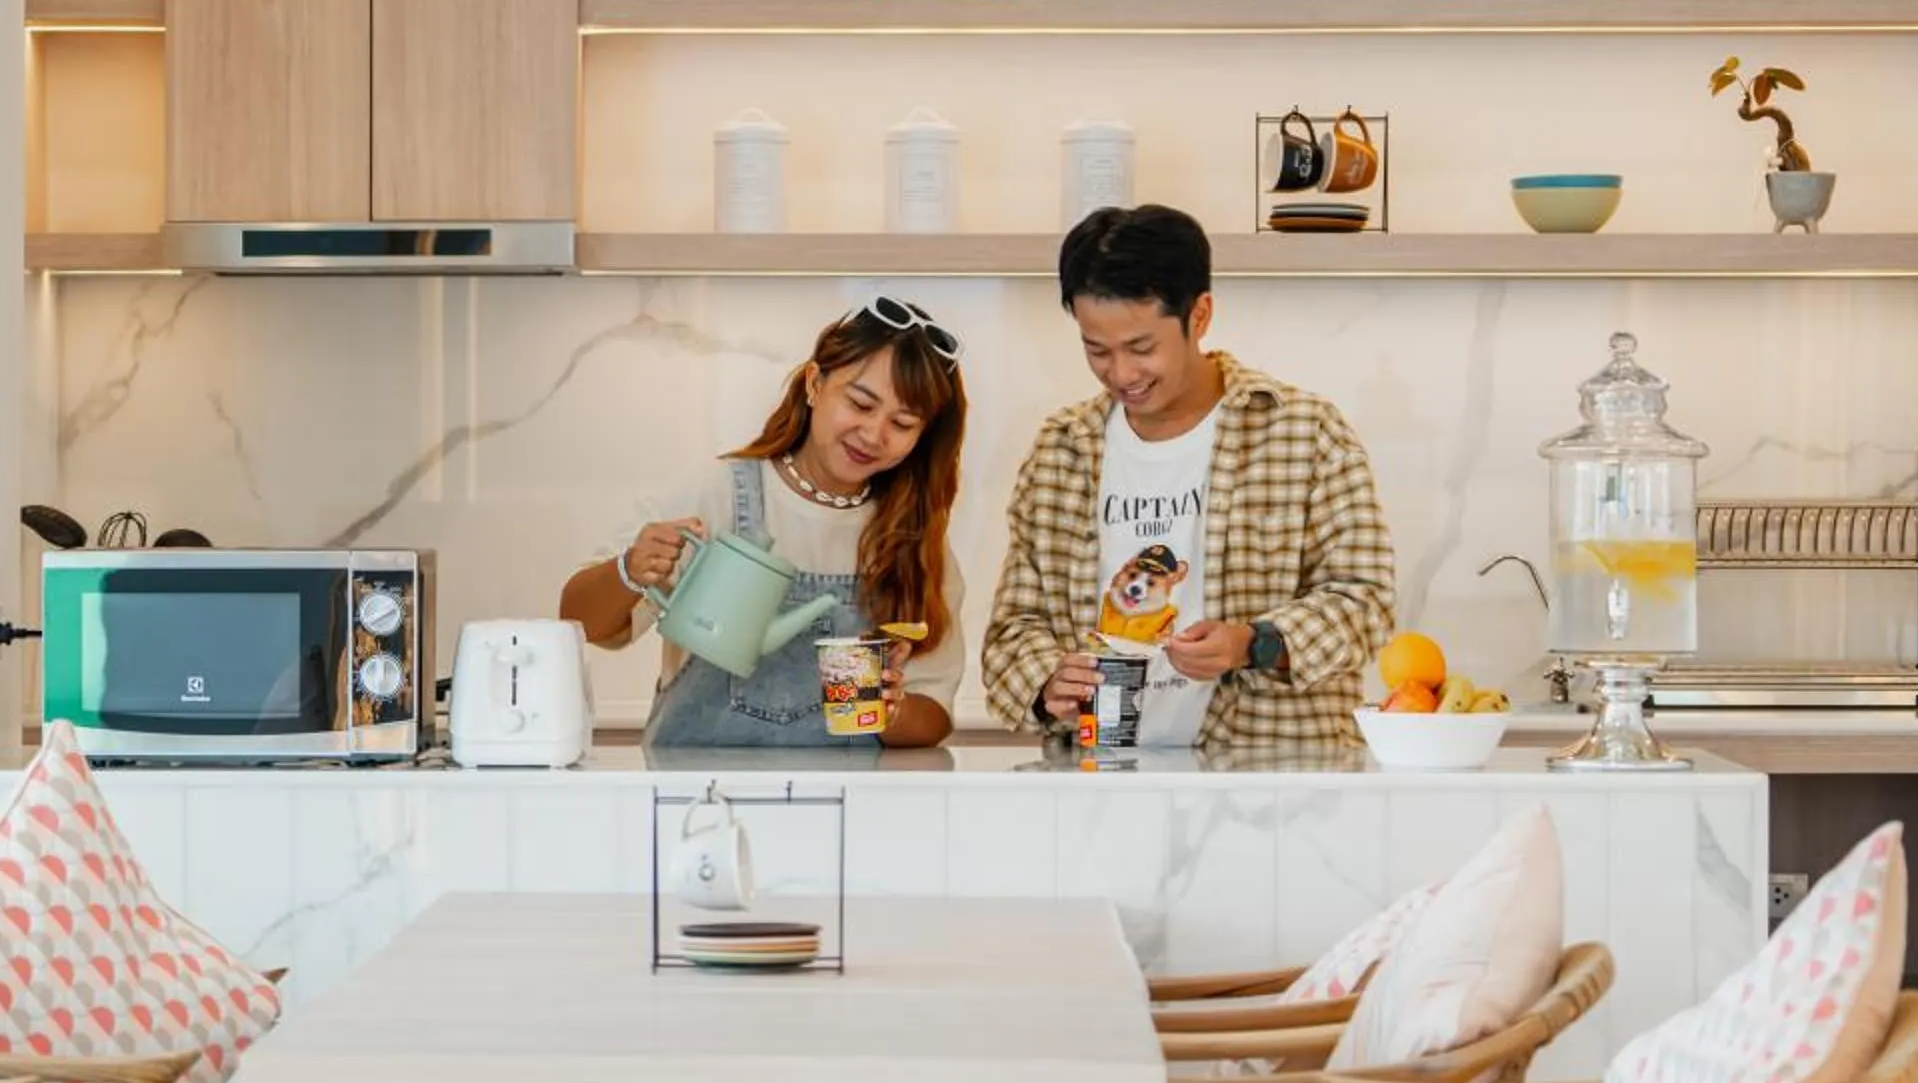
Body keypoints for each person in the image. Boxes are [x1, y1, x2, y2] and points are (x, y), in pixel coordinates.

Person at [983, 206, 1396, 753]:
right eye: (1096, 350)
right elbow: (1014, 627)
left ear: (1199, 316)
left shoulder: (1303, 431)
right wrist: (1046, 680)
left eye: (1141, 348)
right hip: (1098, 781)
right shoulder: (1063, 449)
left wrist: (1254, 643)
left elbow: (1366, 602)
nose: (1121, 374)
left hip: (1273, 785)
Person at [560, 298, 968, 751]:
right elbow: (580, 622)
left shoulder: (912, 536)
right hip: (701, 804)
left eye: (903, 423)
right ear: (815, 384)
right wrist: (629, 571)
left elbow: (934, 711)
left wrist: (887, 710)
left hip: (846, 808)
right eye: (860, 403)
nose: (874, 434)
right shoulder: (720, 495)